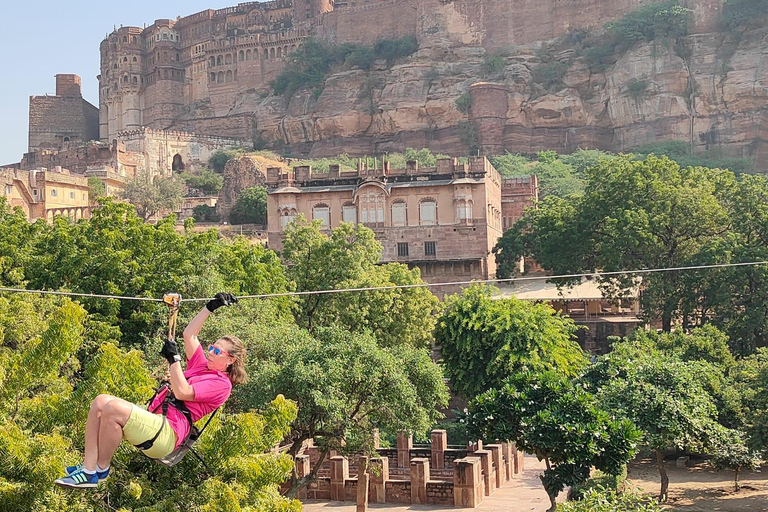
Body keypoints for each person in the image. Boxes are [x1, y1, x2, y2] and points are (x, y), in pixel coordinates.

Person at [55, 293, 245, 488]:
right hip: (156, 421)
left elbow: (182, 392)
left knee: (113, 408)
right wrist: (210, 307)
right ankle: (89, 467)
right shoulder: (202, 365)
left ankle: (98, 470)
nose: (209, 353)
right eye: (211, 348)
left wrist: (175, 360)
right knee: (100, 402)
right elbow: (190, 335)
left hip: (168, 433)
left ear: (230, 360)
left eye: (216, 352)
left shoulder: (222, 384)